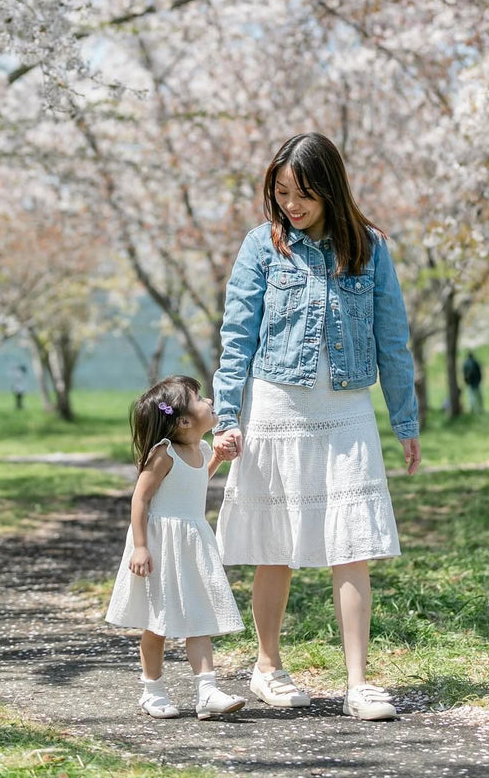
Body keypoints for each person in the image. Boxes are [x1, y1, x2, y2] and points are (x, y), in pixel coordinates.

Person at [212, 132, 421, 722]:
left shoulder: (369, 248)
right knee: (274, 545)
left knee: (351, 545)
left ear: (330, 188)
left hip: (349, 411)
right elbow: (237, 339)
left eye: (303, 193)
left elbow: (393, 340)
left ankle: (359, 681)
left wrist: (405, 420)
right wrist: (227, 418)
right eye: (281, 192)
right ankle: (268, 665)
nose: (292, 205)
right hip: (278, 407)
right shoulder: (262, 246)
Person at [106, 375, 246, 720]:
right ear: (183, 420)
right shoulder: (163, 454)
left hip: (192, 542)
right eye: (200, 398)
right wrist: (140, 546)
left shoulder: (200, 449)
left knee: (199, 616)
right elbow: (141, 499)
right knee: (158, 621)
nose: (209, 401)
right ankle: (152, 690)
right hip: (162, 544)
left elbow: (194, 482)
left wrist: (217, 462)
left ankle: (207, 691)